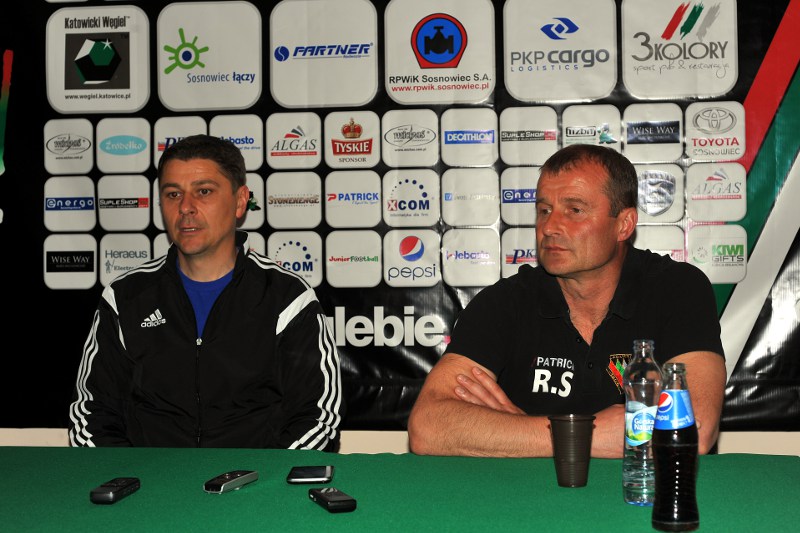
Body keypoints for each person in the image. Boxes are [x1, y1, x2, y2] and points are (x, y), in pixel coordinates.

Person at [407, 144, 726, 458]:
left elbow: (693, 429)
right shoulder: (505, 301)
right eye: (544, 210)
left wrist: (519, 432)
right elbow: (428, 426)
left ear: (624, 225)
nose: (549, 227)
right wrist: (577, 436)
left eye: (575, 210)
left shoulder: (677, 289)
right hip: (528, 491)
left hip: (641, 490)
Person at [69, 134, 342, 450]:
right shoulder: (126, 297)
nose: (186, 207)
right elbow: (91, 414)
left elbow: (317, 419)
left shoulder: (286, 297)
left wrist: (262, 477)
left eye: (204, 192)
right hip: (146, 479)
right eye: (173, 194)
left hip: (256, 479)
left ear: (240, 201)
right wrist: (130, 475)